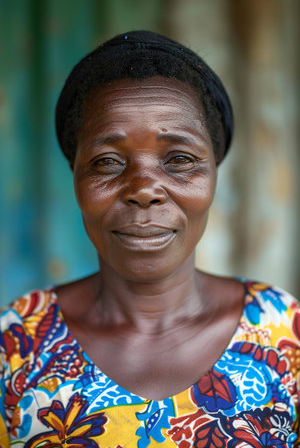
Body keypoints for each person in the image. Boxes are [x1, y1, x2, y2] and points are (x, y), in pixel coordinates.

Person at [0, 30, 299, 447]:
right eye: (107, 162)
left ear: (214, 174)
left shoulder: (285, 332)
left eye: (179, 159)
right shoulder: (16, 343)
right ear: (75, 178)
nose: (144, 188)